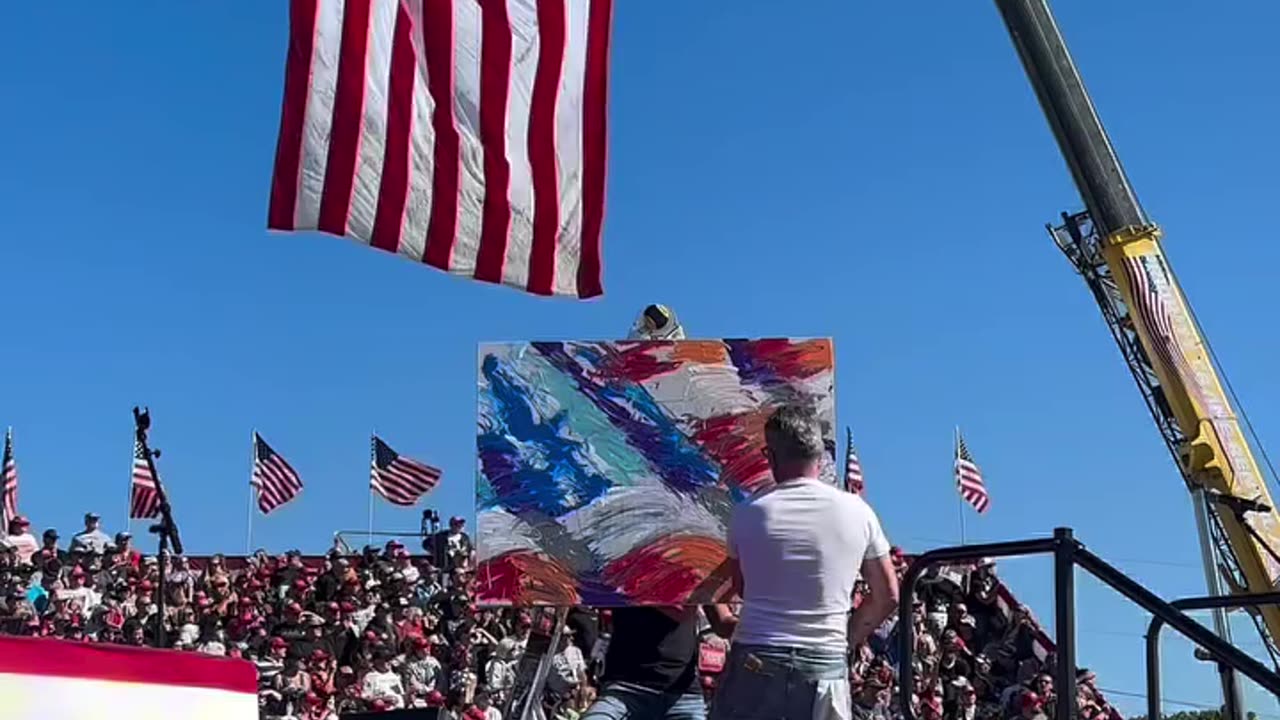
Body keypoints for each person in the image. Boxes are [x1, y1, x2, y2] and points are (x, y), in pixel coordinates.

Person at [711, 404, 899, 720]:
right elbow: (889, 595)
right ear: (819, 454)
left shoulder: (749, 513)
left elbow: (739, 587)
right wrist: (849, 637)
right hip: (824, 661)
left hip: (757, 656)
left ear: (770, 457)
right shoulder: (858, 512)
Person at [582, 605, 735, 720]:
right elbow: (680, 610)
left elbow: (723, 623)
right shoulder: (625, 569)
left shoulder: (693, 569)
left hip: (682, 692)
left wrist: (754, 616)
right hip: (624, 690)